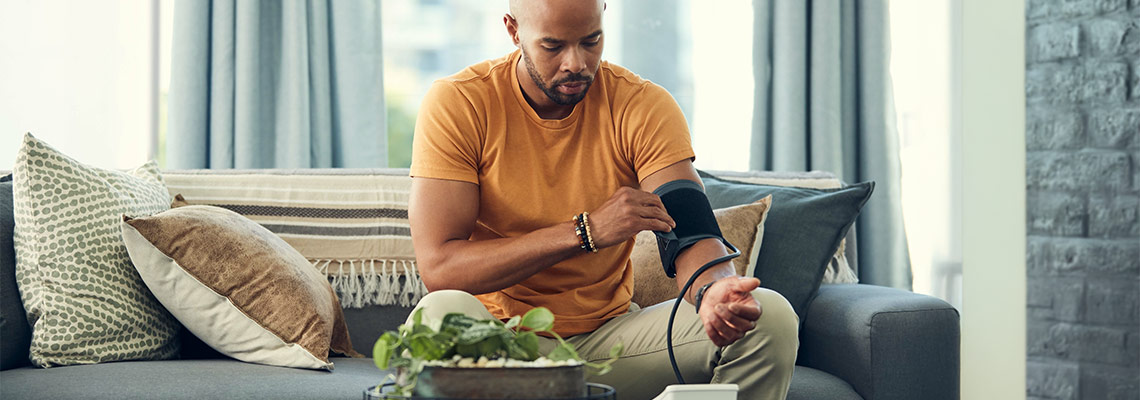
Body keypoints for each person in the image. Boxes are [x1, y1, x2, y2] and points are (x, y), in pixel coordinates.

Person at [407, 0, 797, 398]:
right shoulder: (461, 103)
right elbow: (441, 267)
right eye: (553, 46)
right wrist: (584, 231)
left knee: (771, 317)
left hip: (609, 345)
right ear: (513, 30)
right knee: (437, 317)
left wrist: (714, 289)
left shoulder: (641, 105)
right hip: (497, 343)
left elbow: (690, 230)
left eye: (591, 41)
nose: (576, 63)